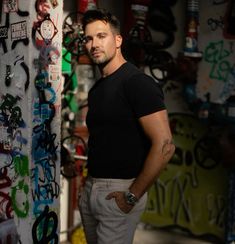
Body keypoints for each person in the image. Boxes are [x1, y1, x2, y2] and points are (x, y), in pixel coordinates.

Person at [78, 8, 175, 244]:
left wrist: (132, 195)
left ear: (118, 39)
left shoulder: (137, 83)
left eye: (101, 36)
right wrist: (87, 182)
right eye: (89, 38)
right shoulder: (97, 90)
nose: (94, 44)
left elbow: (165, 145)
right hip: (92, 188)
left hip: (120, 191)